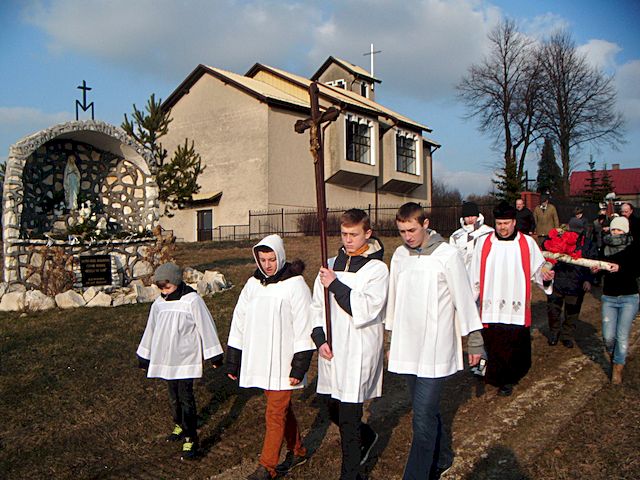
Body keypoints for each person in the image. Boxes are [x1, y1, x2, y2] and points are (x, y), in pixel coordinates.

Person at [386, 202, 484, 480]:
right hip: (408, 345)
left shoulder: (447, 255)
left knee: (421, 416)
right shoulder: (400, 256)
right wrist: (392, 339)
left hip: (435, 346)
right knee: (425, 411)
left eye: (412, 230)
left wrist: (475, 341)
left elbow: (464, 298)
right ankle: (442, 457)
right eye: (402, 231)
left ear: (425, 224)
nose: (407, 236)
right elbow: (394, 298)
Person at [226, 234, 315, 480]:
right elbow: (239, 321)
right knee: (281, 409)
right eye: (263, 260)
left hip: (284, 363)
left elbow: (304, 326)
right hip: (260, 359)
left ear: (281, 257)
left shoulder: (296, 285)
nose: (267, 265)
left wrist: (299, 367)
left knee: (274, 413)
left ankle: (267, 467)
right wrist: (233, 359)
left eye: (272, 259)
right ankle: (298, 449)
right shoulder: (252, 285)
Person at [311, 209, 388, 480]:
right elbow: (317, 306)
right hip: (333, 349)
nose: (348, 240)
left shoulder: (377, 269)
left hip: (358, 347)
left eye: (354, 234)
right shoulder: (331, 264)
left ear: (368, 233)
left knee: (349, 414)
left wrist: (335, 285)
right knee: (331, 405)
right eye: (344, 234)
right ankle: (367, 436)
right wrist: (320, 338)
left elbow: (364, 308)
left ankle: (351, 474)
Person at [136, 262, 223, 460]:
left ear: (176, 281)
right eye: (161, 288)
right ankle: (179, 424)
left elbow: (206, 326)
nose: (164, 291)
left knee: (185, 397)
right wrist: (144, 355)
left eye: (167, 287)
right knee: (173, 396)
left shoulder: (192, 301)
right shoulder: (159, 304)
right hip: (167, 359)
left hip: (185, 358)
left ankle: (191, 437)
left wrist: (214, 355)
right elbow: (151, 329)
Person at [470, 201, 554, 397]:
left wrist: (545, 276)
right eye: (499, 223)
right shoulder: (484, 243)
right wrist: (470, 301)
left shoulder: (527, 243)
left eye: (506, 223)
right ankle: (493, 374)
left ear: (514, 222)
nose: (502, 227)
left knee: (513, 346)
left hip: (515, 304)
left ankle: (508, 379)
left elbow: (539, 270)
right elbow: (474, 273)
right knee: (493, 344)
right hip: (491, 305)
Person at [591, 216, 640, 384]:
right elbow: (601, 267)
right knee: (608, 336)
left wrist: (621, 268)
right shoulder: (604, 247)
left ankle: (618, 367)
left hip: (629, 297)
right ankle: (615, 355)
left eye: (619, 230)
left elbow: (637, 269)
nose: (615, 232)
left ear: (625, 231)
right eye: (613, 229)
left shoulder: (634, 247)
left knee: (622, 335)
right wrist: (597, 270)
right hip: (609, 297)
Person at [543, 219, 595, 348]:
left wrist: (588, 279)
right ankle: (554, 333)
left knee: (572, 312)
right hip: (557, 280)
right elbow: (545, 248)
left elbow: (592, 261)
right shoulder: (559, 238)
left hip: (576, 283)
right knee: (553, 309)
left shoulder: (587, 243)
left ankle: (567, 335)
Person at [449, 201, 493, 269]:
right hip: (463, 271)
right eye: (467, 216)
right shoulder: (456, 236)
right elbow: (452, 258)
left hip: (482, 270)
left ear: (477, 216)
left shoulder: (488, 232)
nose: (470, 219)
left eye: (472, 216)